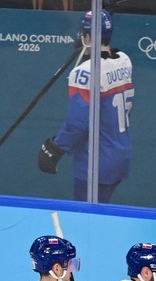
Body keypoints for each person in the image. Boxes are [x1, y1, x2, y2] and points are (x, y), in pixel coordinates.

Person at [39, 10, 133, 204]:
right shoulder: (124, 60)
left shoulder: (84, 73)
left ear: (89, 36)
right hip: (119, 153)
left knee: (87, 218)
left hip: (95, 161)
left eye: (83, 34)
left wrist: (56, 148)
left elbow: (78, 123)